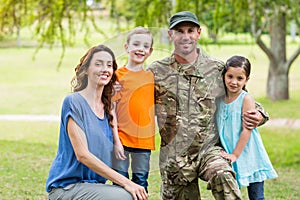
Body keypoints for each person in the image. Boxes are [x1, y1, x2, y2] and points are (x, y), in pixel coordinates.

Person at [147, 11, 269, 200]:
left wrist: (259, 114)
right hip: (176, 158)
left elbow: (241, 97)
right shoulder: (156, 72)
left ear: (199, 33)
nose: (185, 36)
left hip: (209, 151)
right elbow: (134, 101)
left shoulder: (216, 69)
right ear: (170, 35)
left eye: (190, 30)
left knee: (223, 175)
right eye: (179, 31)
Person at [45, 44, 148, 200]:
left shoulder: (108, 111)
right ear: (86, 69)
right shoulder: (74, 102)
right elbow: (83, 155)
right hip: (67, 188)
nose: (105, 69)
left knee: (134, 194)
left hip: (93, 186)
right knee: (126, 196)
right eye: (98, 64)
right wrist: (127, 183)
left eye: (109, 65)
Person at [216, 55, 278, 200]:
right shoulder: (219, 98)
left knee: (256, 196)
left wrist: (235, 155)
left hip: (249, 153)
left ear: (246, 80)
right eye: (230, 76)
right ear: (224, 75)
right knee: (232, 192)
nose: (233, 82)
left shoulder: (246, 99)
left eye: (239, 78)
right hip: (230, 150)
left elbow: (247, 130)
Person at [112, 27, 155, 193]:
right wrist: (116, 141)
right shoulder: (117, 76)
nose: (140, 49)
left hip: (143, 141)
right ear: (126, 47)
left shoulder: (151, 77)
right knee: (120, 184)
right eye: (136, 44)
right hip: (121, 139)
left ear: (150, 51)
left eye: (145, 46)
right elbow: (111, 111)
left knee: (141, 183)